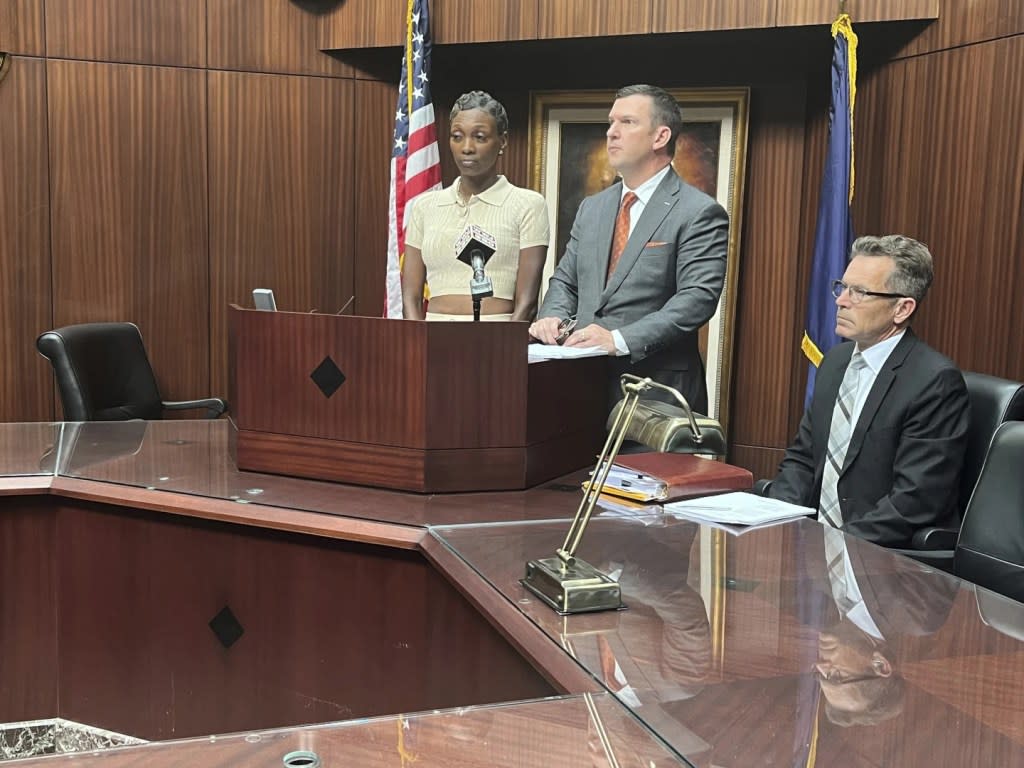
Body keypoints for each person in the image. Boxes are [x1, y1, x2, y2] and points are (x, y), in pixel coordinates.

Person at [528, 84, 729, 413]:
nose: (612, 133)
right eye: (611, 122)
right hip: (578, 392)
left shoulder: (698, 212)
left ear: (660, 137)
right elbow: (565, 281)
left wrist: (618, 340)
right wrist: (552, 316)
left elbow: (697, 299)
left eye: (627, 122)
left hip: (655, 395)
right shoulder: (592, 208)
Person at [766, 235, 969, 548]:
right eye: (842, 286)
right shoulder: (835, 362)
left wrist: (833, 547)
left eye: (858, 292)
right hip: (814, 554)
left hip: (883, 561)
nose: (841, 300)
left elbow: (914, 501)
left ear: (902, 308)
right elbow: (803, 460)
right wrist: (775, 522)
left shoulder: (934, 381)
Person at [402, 91, 548, 322]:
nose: (467, 147)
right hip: (432, 339)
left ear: (503, 141)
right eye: (457, 136)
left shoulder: (528, 204)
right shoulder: (425, 206)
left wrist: (503, 347)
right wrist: (417, 344)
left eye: (479, 137)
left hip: (496, 339)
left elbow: (527, 303)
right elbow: (410, 297)